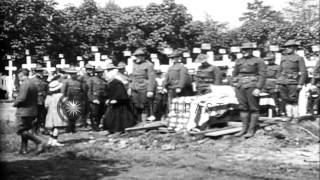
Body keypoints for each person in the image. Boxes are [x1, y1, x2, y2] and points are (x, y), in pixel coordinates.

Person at [232, 42, 266, 138]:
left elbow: (262, 75)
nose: (244, 51)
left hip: (252, 86)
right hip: (240, 86)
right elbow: (234, 73)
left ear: (251, 50)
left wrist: (258, 88)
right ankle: (244, 129)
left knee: (254, 108)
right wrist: (234, 83)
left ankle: (251, 130)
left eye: (247, 49)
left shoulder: (258, 60)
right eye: (243, 50)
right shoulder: (239, 61)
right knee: (243, 107)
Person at [14, 69, 45, 154]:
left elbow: (22, 98)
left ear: (21, 75)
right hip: (32, 110)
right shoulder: (32, 83)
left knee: (20, 130)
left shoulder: (25, 84)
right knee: (25, 129)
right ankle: (23, 149)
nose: (18, 78)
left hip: (24, 110)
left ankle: (39, 142)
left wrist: (15, 103)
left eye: (18, 76)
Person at [276, 40, 307, 118]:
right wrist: (278, 81)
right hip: (282, 82)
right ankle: (289, 116)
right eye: (286, 47)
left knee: (293, 100)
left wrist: (300, 83)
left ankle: (295, 117)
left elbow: (303, 72)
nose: (287, 48)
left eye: (289, 47)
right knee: (285, 99)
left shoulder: (299, 58)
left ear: (294, 48)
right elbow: (279, 70)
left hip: (293, 82)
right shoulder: (283, 57)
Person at [102, 64, 136, 133]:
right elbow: (109, 92)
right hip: (114, 102)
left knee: (120, 117)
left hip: (120, 103)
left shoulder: (117, 82)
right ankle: (113, 129)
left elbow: (121, 93)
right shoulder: (111, 83)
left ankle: (120, 129)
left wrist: (116, 99)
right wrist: (108, 98)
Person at [128, 48, 156, 122]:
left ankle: (144, 122)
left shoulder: (149, 65)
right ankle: (138, 121)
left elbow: (151, 78)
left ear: (143, 56)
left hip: (144, 87)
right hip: (135, 88)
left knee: (144, 106)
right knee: (136, 105)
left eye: (140, 56)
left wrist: (150, 90)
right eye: (137, 56)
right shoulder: (134, 65)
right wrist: (130, 87)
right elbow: (132, 77)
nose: (138, 57)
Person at [61, 67, 86, 133]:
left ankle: (73, 128)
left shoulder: (79, 82)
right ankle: (68, 128)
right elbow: (63, 91)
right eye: (71, 74)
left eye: (74, 74)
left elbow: (82, 91)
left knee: (75, 115)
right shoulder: (66, 81)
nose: (73, 75)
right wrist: (64, 99)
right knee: (69, 115)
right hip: (69, 99)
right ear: (69, 74)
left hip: (77, 100)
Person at [45, 80, 67, 146]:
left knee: (51, 127)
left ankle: (50, 140)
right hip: (58, 112)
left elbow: (46, 105)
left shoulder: (48, 96)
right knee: (57, 127)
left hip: (50, 112)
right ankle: (54, 141)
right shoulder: (60, 96)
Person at [87, 66, 108, 131]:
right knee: (94, 113)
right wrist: (92, 99)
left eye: (102, 72)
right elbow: (89, 90)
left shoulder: (104, 80)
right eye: (99, 72)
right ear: (96, 73)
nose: (101, 73)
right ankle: (94, 126)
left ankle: (98, 125)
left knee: (101, 113)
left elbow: (106, 89)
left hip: (103, 98)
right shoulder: (91, 79)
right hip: (95, 98)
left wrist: (107, 98)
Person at [31, 65, 49, 134]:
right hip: (34, 101)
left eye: (40, 71)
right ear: (35, 72)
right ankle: (34, 130)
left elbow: (47, 91)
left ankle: (40, 129)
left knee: (42, 116)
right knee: (34, 116)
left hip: (43, 101)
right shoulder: (31, 81)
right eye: (38, 71)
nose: (39, 72)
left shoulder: (44, 81)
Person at [78, 64, 95, 128]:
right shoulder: (82, 77)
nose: (90, 71)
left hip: (90, 95)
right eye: (88, 69)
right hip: (83, 95)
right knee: (83, 109)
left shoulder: (92, 77)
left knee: (90, 109)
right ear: (86, 70)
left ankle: (90, 122)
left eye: (91, 70)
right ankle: (82, 122)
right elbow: (79, 85)